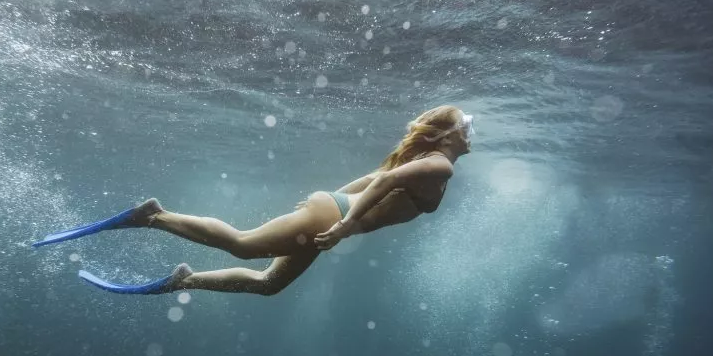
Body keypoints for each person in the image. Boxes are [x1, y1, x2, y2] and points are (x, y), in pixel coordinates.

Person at [33, 105, 474, 295]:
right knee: (242, 244)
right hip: (332, 218)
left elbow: (373, 177)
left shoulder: (430, 160)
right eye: (467, 125)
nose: (472, 132)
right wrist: (340, 222)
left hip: (333, 212)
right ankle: (154, 216)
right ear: (449, 134)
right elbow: (380, 185)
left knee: (269, 285)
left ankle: (183, 280)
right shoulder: (441, 165)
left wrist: (336, 205)